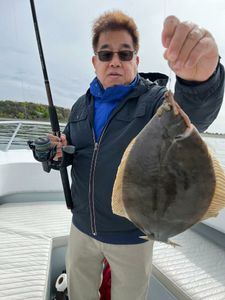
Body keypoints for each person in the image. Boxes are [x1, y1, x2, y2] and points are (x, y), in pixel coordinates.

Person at [49, 11, 224, 300]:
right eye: (105, 54)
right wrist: (56, 154)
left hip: (132, 235)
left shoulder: (156, 101)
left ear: (137, 60)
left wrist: (200, 83)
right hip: (81, 226)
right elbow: (73, 153)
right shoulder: (81, 107)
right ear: (95, 62)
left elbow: (192, 113)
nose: (115, 60)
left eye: (124, 53)